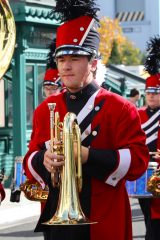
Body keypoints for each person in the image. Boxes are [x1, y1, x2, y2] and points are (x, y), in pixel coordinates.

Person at [23, 1, 149, 240]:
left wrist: (87, 156)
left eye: (75, 58)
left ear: (92, 63)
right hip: (58, 218)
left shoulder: (120, 107)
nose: (66, 66)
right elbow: (30, 158)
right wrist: (43, 160)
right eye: (61, 60)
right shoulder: (45, 110)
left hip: (104, 216)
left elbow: (138, 162)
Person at [138, 36, 160, 240]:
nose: (151, 96)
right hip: (144, 172)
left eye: (156, 92)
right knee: (147, 216)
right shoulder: (138, 114)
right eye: (149, 92)